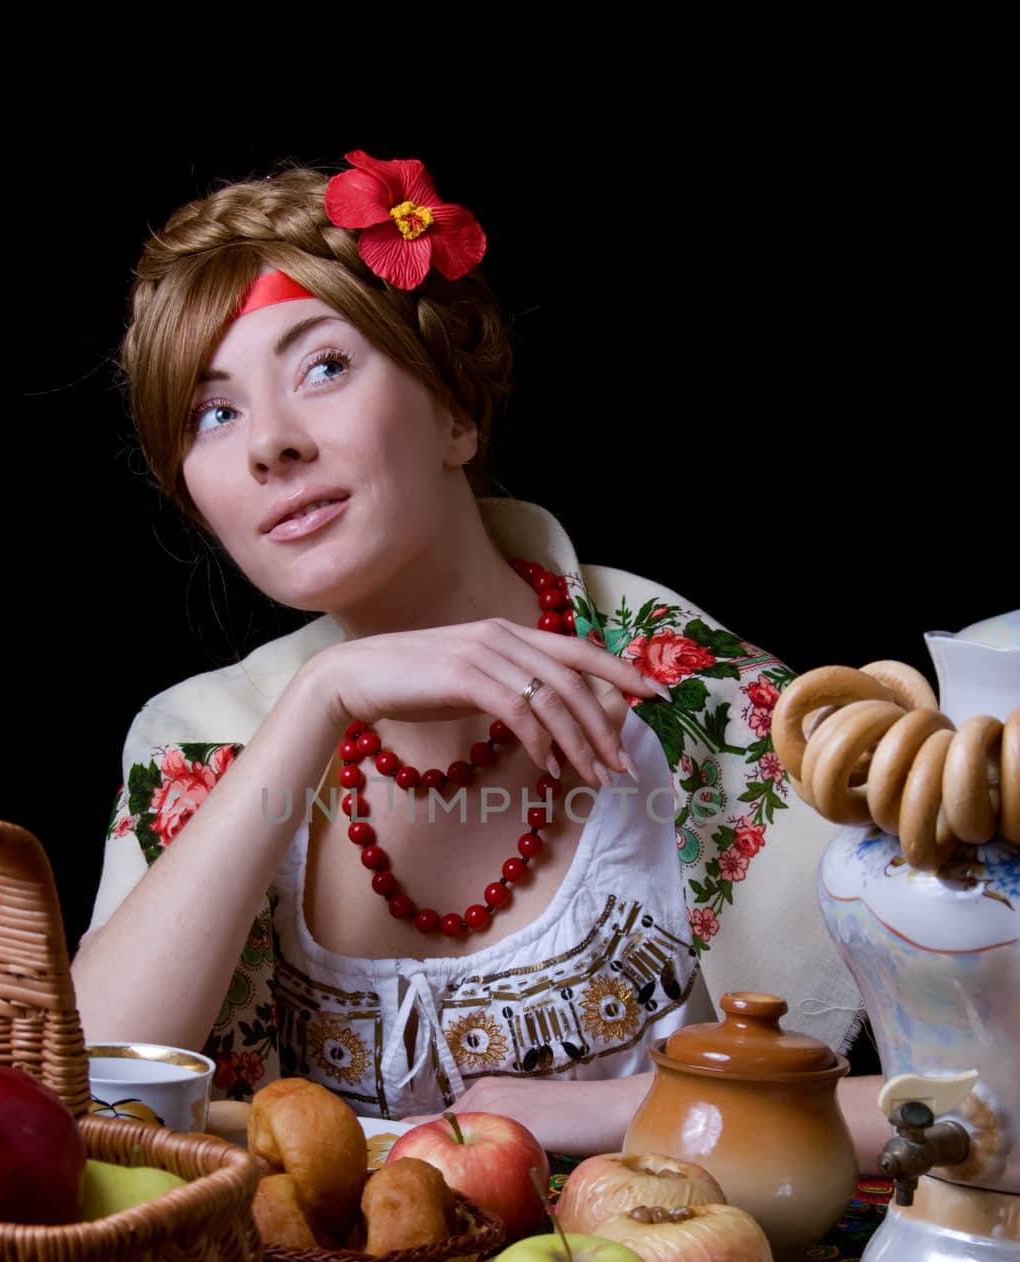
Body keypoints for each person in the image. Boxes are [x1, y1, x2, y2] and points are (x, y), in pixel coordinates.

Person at [72, 153, 884, 1164]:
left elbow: (983, 1112)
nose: (267, 444)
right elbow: (82, 1104)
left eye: (322, 365)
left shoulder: (705, 707)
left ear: (455, 411)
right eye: (212, 412)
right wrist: (323, 696)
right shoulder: (200, 742)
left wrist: (605, 1118)